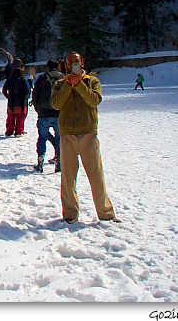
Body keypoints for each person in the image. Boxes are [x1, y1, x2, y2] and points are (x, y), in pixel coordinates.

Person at [50, 52, 119, 224]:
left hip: (88, 133)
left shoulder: (92, 81)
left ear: (82, 63)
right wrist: (68, 85)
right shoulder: (59, 84)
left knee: (96, 176)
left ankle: (106, 213)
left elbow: (94, 101)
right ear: (64, 65)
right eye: (69, 62)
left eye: (76, 62)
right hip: (67, 135)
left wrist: (79, 84)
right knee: (68, 178)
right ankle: (70, 215)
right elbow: (55, 104)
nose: (72, 65)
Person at [31, 59, 63, 172]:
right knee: (59, 138)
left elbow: (35, 95)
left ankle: (40, 163)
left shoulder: (42, 78)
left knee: (42, 138)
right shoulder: (63, 78)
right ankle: (59, 162)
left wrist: (38, 110)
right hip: (59, 113)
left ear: (48, 67)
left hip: (43, 113)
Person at [2, 60, 28, 136]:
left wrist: (8, 97)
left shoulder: (9, 80)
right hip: (22, 102)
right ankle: (19, 132)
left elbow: (4, 90)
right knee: (20, 119)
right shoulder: (23, 80)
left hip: (12, 102)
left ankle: (9, 132)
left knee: (10, 119)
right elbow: (27, 91)